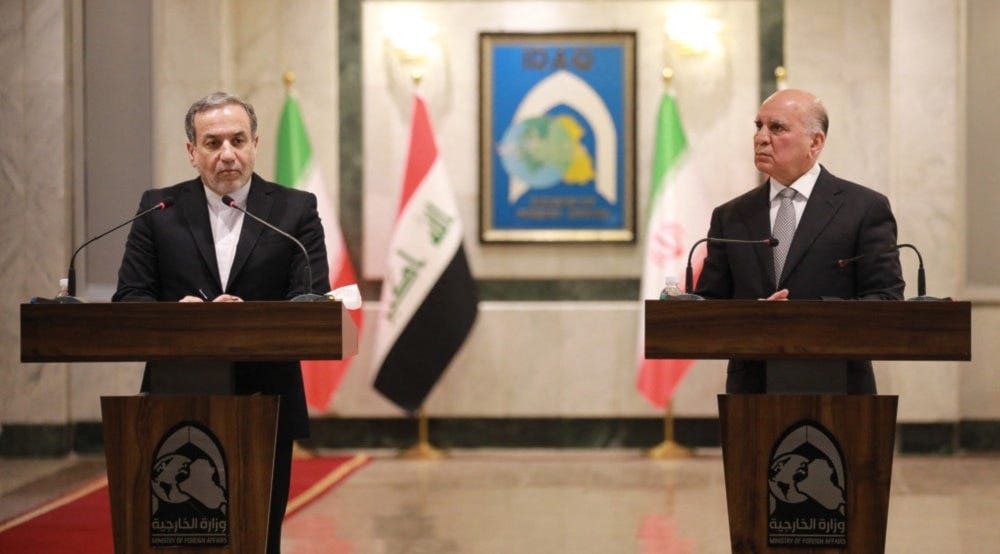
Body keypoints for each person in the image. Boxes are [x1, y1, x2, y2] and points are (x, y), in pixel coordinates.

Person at [113, 92, 329, 553]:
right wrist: (181, 317)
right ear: (192, 152)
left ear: (255, 143)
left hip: (266, 399)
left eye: (237, 140)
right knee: (176, 537)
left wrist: (245, 318)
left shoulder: (295, 211)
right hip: (177, 397)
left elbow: (310, 301)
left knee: (257, 536)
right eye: (212, 143)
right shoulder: (159, 211)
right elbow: (130, 300)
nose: (227, 154)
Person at [693, 88, 904, 394]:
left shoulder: (864, 208)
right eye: (758, 126)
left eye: (776, 128)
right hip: (752, 388)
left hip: (839, 385)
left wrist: (803, 315)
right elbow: (710, 305)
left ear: (815, 142)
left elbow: (886, 300)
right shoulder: (731, 216)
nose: (761, 138)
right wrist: (753, 315)